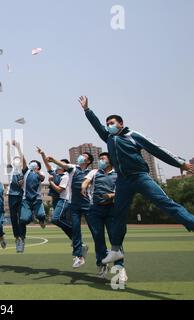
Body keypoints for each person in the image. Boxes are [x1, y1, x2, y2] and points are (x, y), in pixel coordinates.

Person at [79, 95, 194, 264]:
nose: (109, 126)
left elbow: (157, 149)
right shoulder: (109, 137)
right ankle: (116, 250)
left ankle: (191, 222)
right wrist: (87, 110)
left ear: (121, 124)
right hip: (123, 181)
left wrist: (180, 163)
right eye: (107, 123)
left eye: (112, 123)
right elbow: (97, 125)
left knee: (164, 202)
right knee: (118, 215)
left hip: (140, 177)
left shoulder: (134, 135)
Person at [81, 152, 127, 282]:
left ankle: (119, 268)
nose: (100, 160)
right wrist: (83, 187)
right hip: (95, 209)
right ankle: (102, 266)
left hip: (112, 209)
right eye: (99, 158)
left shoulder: (118, 174)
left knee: (115, 239)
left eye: (103, 158)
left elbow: (121, 191)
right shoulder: (94, 172)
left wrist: (111, 196)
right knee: (98, 238)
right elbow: (86, 182)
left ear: (110, 161)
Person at [47, 152, 92, 269]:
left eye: (84, 156)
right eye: (80, 155)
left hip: (88, 205)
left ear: (88, 161)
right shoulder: (73, 169)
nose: (80, 157)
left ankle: (102, 259)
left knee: (96, 232)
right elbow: (64, 166)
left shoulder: (92, 172)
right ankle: (79, 256)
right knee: (76, 230)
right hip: (74, 204)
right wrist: (52, 159)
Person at [17, 146, 47, 251]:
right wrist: (19, 149)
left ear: (38, 167)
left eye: (35, 164)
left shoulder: (40, 173)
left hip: (37, 199)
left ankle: (42, 220)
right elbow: (23, 160)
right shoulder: (25, 172)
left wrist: (37, 171)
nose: (32, 164)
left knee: (41, 214)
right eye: (31, 163)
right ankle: (22, 239)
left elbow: (43, 178)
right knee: (24, 219)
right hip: (26, 199)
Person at [40, 148, 72, 241]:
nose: (57, 165)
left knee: (56, 219)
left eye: (60, 164)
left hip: (63, 199)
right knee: (60, 221)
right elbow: (47, 165)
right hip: (55, 200)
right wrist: (42, 154)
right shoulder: (55, 174)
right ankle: (74, 238)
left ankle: (75, 232)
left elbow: (59, 190)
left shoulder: (66, 176)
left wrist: (50, 182)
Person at [6, 141, 26, 253]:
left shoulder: (24, 171)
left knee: (22, 218)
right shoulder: (10, 171)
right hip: (12, 196)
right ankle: (17, 238)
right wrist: (8, 147)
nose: (16, 160)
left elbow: (23, 159)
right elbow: (8, 159)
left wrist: (18, 147)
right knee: (13, 218)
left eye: (18, 159)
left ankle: (22, 238)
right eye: (15, 159)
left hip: (22, 196)